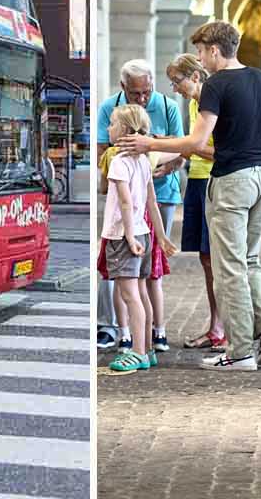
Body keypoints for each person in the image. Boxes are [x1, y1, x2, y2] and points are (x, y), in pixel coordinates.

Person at [119, 21, 261, 371]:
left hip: (232, 181)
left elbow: (196, 143)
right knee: (251, 261)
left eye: (200, 51)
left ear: (213, 49)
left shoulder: (217, 85)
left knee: (229, 269)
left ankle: (239, 352)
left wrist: (150, 143)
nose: (199, 58)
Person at [95, 59, 184, 352]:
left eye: (148, 92)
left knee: (132, 285)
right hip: (142, 223)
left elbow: (183, 149)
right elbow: (101, 154)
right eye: (136, 94)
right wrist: (159, 235)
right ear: (123, 88)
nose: (144, 98)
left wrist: (164, 162)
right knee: (137, 284)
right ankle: (130, 338)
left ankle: (137, 345)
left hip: (131, 226)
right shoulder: (111, 110)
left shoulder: (167, 107)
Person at [101, 104, 172, 374]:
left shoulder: (119, 162)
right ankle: (149, 349)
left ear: (124, 131)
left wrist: (128, 237)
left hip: (123, 234)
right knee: (141, 293)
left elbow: (125, 202)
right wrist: (162, 236)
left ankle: (138, 352)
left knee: (130, 296)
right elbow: (151, 202)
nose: (108, 128)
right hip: (144, 231)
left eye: (112, 123)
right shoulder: (143, 160)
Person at [167, 53, 226, 351]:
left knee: (217, 260)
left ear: (195, 76)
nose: (174, 88)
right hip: (197, 182)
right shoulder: (193, 103)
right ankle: (216, 326)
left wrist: (182, 147)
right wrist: (176, 159)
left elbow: (216, 151)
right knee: (205, 260)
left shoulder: (213, 102)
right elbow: (193, 146)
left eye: (177, 82)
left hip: (212, 183)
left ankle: (225, 328)